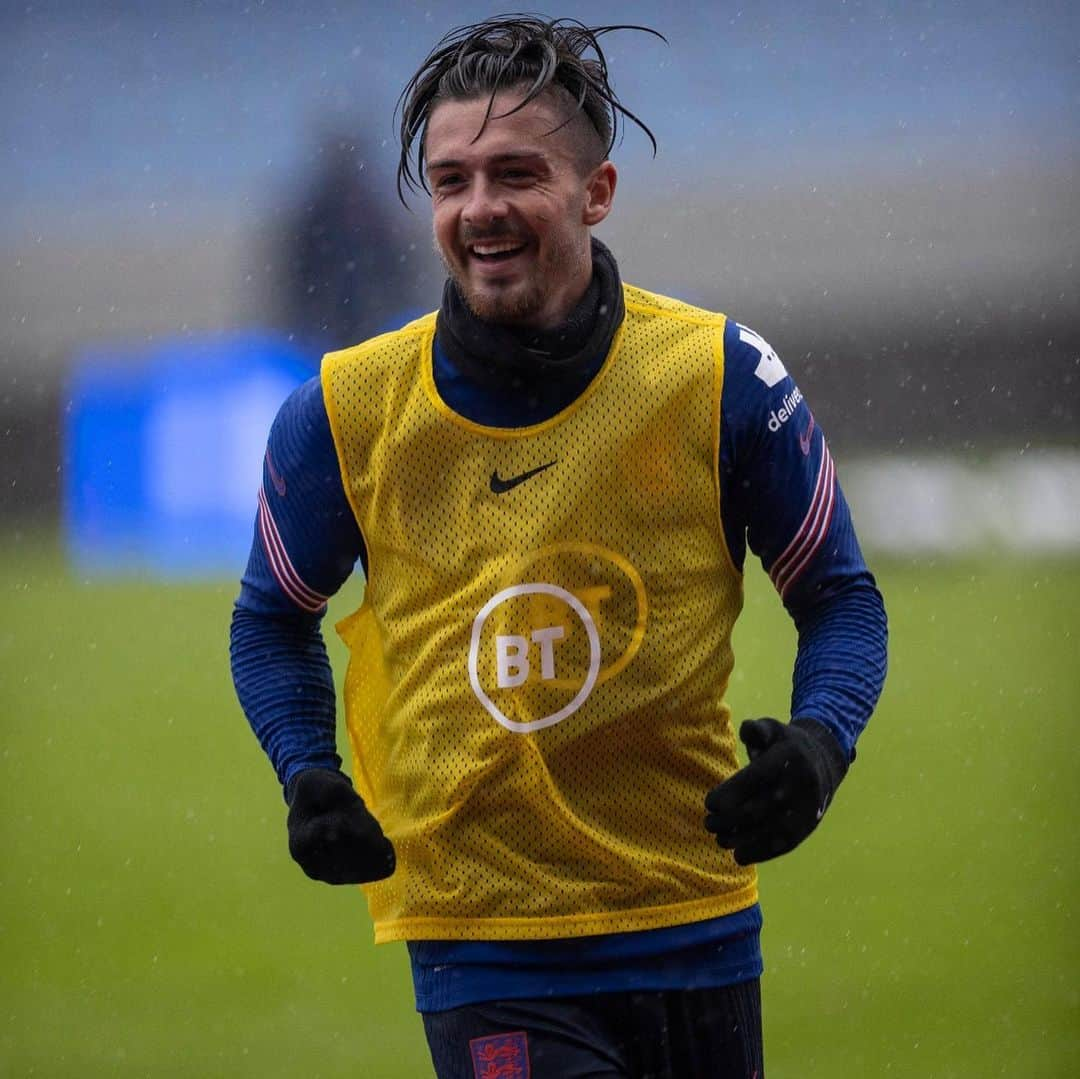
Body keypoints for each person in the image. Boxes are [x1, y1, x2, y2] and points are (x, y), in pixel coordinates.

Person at [231, 15, 887, 1079]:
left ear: (597, 192)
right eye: (450, 180)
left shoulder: (719, 377)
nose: (479, 207)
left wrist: (821, 745)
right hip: (483, 935)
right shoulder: (347, 408)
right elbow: (270, 614)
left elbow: (841, 596)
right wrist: (306, 772)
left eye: (515, 172)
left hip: (696, 915)